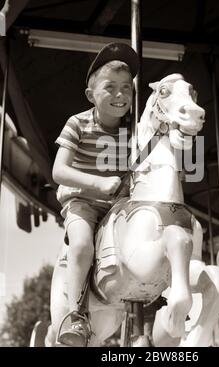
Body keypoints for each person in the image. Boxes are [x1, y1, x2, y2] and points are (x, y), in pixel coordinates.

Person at [52, 42, 139, 346]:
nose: (120, 94)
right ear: (91, 95)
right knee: (80, 247)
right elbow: (59, 171)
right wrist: (98, 184)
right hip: (83, 201)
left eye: (127, 87)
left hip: (118, 206)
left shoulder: (134, 132)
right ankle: (76, 316)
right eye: (111, 87)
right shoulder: (77, 124)